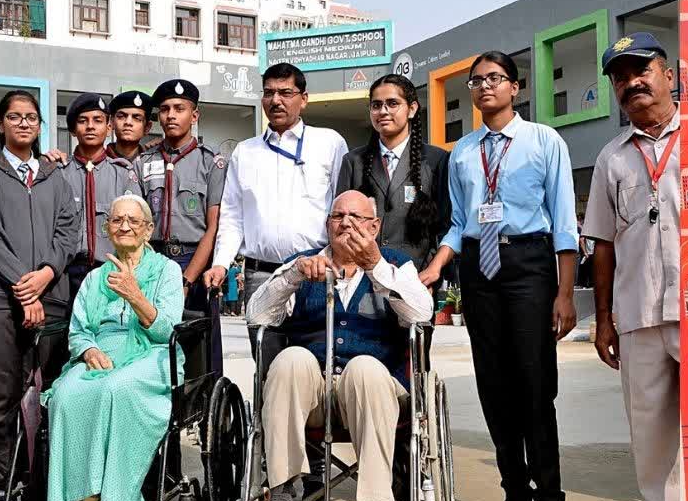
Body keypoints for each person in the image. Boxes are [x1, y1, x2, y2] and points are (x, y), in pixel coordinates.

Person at [418, 51, 578, 501]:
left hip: (529, 264)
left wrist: (566, 292)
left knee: (534, 385)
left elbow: (565, 222)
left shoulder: (544, 142)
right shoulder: (463, 152)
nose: (485, 86)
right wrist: (437, 265)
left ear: (515, 87)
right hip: (478, 270)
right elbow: (459, 222)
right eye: (477, 80)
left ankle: (550, 500)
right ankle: (515, 495)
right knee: (493, 384)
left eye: (496, 78)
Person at [244, 190, 433, 501]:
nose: (346, 223)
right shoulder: (302, 262)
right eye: (337, 216)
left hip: (372, 393)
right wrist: (293, 277)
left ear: (375, 226)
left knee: (365, 368)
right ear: (327, 224)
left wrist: (376, 267)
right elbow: (257, 316)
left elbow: (421, 315)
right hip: (312, 391)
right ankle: (282, 495)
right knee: (290, 359)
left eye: (357, 217)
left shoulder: (397, 264)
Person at [584, 32, 683, 501]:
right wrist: (603, 319)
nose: (632, 82)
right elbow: (601, 243)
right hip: (639, 311)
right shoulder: (610, 159)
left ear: (669, 74)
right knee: (649, 427)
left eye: (641, 69)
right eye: (620, 77)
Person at [44, 194, 185, 501]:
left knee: (117, 389)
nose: (124, 226)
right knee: (66, 394)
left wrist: (136, 296)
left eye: (133, 221)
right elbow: (78, 329)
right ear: (106, 229)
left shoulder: (167, 271)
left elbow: (167, 331)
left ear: (149, 230)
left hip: (152, 354)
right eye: (116, 220)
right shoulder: (94, 278)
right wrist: (88, 349)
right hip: (101, 353)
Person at [0, 90, 80, 501]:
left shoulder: (54, 176)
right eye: (14, 117)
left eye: (31, 117)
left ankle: (46, 480)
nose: (24, 124)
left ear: (40, 124)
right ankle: (6, 485)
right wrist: (22, 287)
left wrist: (47, 274)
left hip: (51, 296)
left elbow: (68, 233)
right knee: (4, 393)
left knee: (52, 391)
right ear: (0, 124)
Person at [206, 63, 347, 333]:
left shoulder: (330, 143)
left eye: (285, 92)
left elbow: (341, 209)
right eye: (269, 93)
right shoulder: (245, 152)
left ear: (303, 99)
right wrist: (221, 264)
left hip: (316, 273)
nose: (276, 100)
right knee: (267, 363)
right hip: (262, 275)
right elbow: (233, 215)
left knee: (317, 361)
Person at [336, 74, 451, 272]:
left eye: (392, 103)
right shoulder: (353, 162)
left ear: (412, 109)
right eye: (376, 105)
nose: (383, 111)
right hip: (362, 277)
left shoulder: (436, 160)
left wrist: (433, 271)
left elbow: (444, 225)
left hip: (416, 276)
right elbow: (339, 223)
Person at [135, 79, 225, 314]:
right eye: (165, 110)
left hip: (195, 262)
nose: (171, 116)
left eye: (179, 109)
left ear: (194, 116)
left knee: (197, 344)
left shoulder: (212, 161)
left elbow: (214, 227)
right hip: (152, 261)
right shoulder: (144, 161)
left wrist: (186, 281)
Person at [56, 93, 143, 301]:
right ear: (72, 129)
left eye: (98, 120)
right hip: (67, 274)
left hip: (111, 272)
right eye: (82, 121)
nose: (90, 127)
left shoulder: (123, 174)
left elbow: (137, 230)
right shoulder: (58, 174)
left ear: (109, 127)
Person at [106, 91, 153, 164]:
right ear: (112, 122)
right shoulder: (98, 162)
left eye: (137, 118)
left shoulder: (152, 162)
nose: (128, 122)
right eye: (121, 116)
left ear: (147, 127)